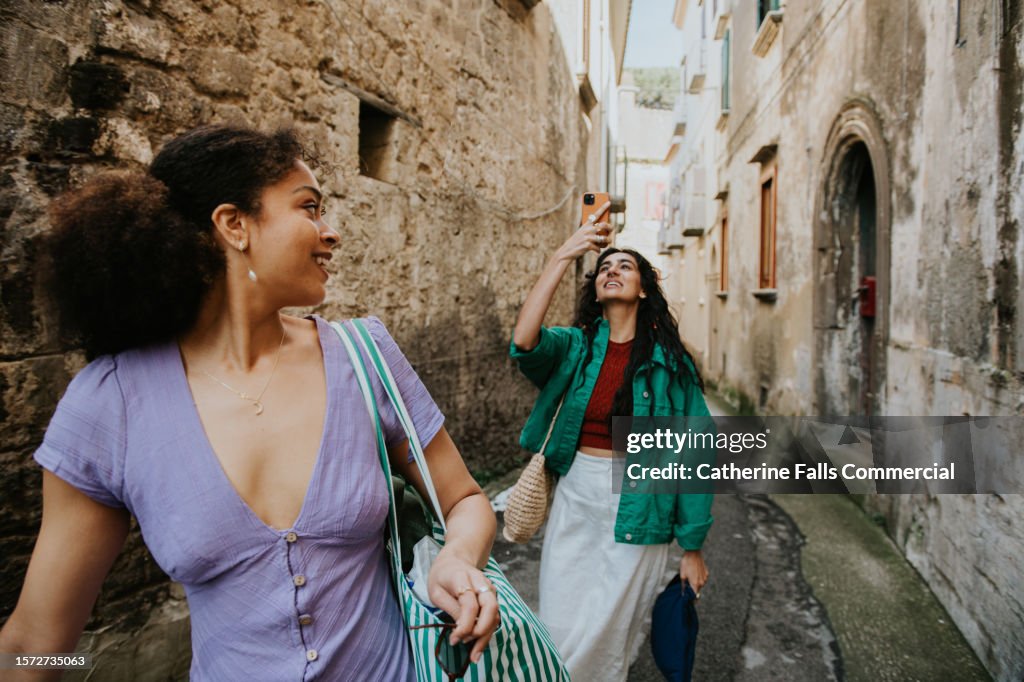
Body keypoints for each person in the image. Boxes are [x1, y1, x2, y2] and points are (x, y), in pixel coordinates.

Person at [0, 125, 499, 681]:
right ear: (234, 225)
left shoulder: (366, 357)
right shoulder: (109, 404)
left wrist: (456, 559)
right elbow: (33, 644)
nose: (330, 232)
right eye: (308, 207)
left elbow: (464, 500)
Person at [509, 217, 714, 682]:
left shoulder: (671, 365)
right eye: (604, 267)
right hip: (577, 492)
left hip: (643, 503)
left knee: (607, 630)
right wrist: (564, 254)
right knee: (559, 620)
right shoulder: (575, 347)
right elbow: (523, 343)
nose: (612, 270)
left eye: (625, 265)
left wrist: (693, 546)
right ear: (596, 289)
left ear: (644, 288)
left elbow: (698, 451)